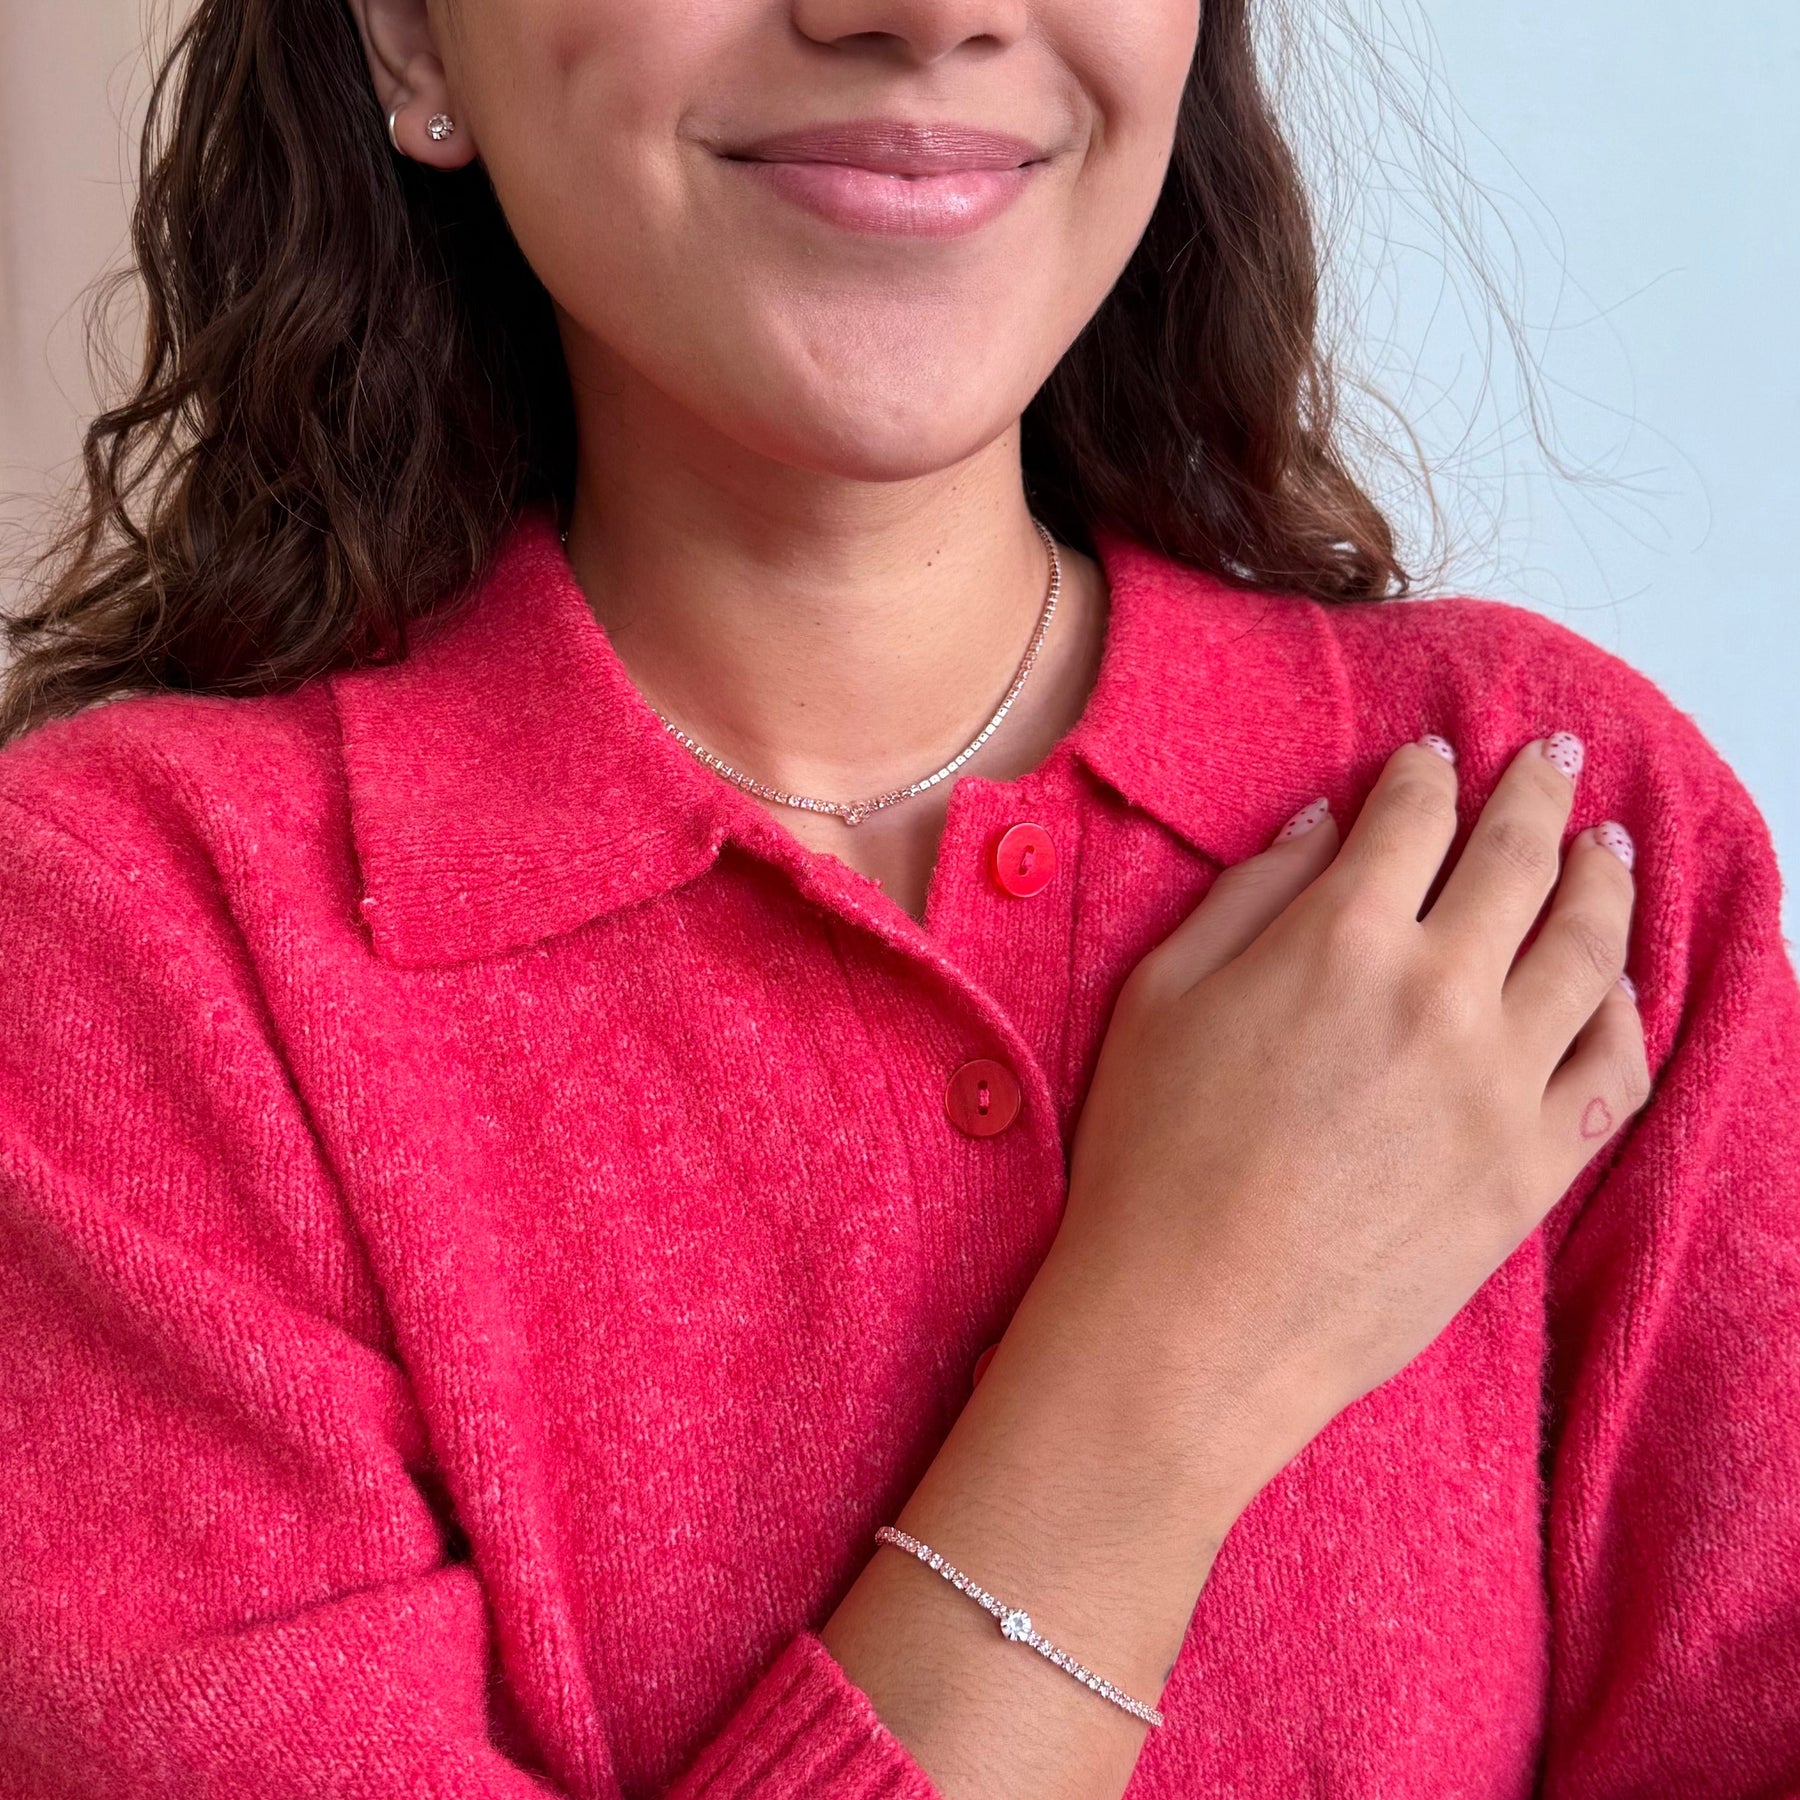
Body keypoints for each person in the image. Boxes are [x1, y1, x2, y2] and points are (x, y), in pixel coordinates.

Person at [1, 0, 1796, 1796]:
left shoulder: (1548, 831)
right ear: (412, 38)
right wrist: (1172, 1356)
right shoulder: (121, 945)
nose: (932, 13)